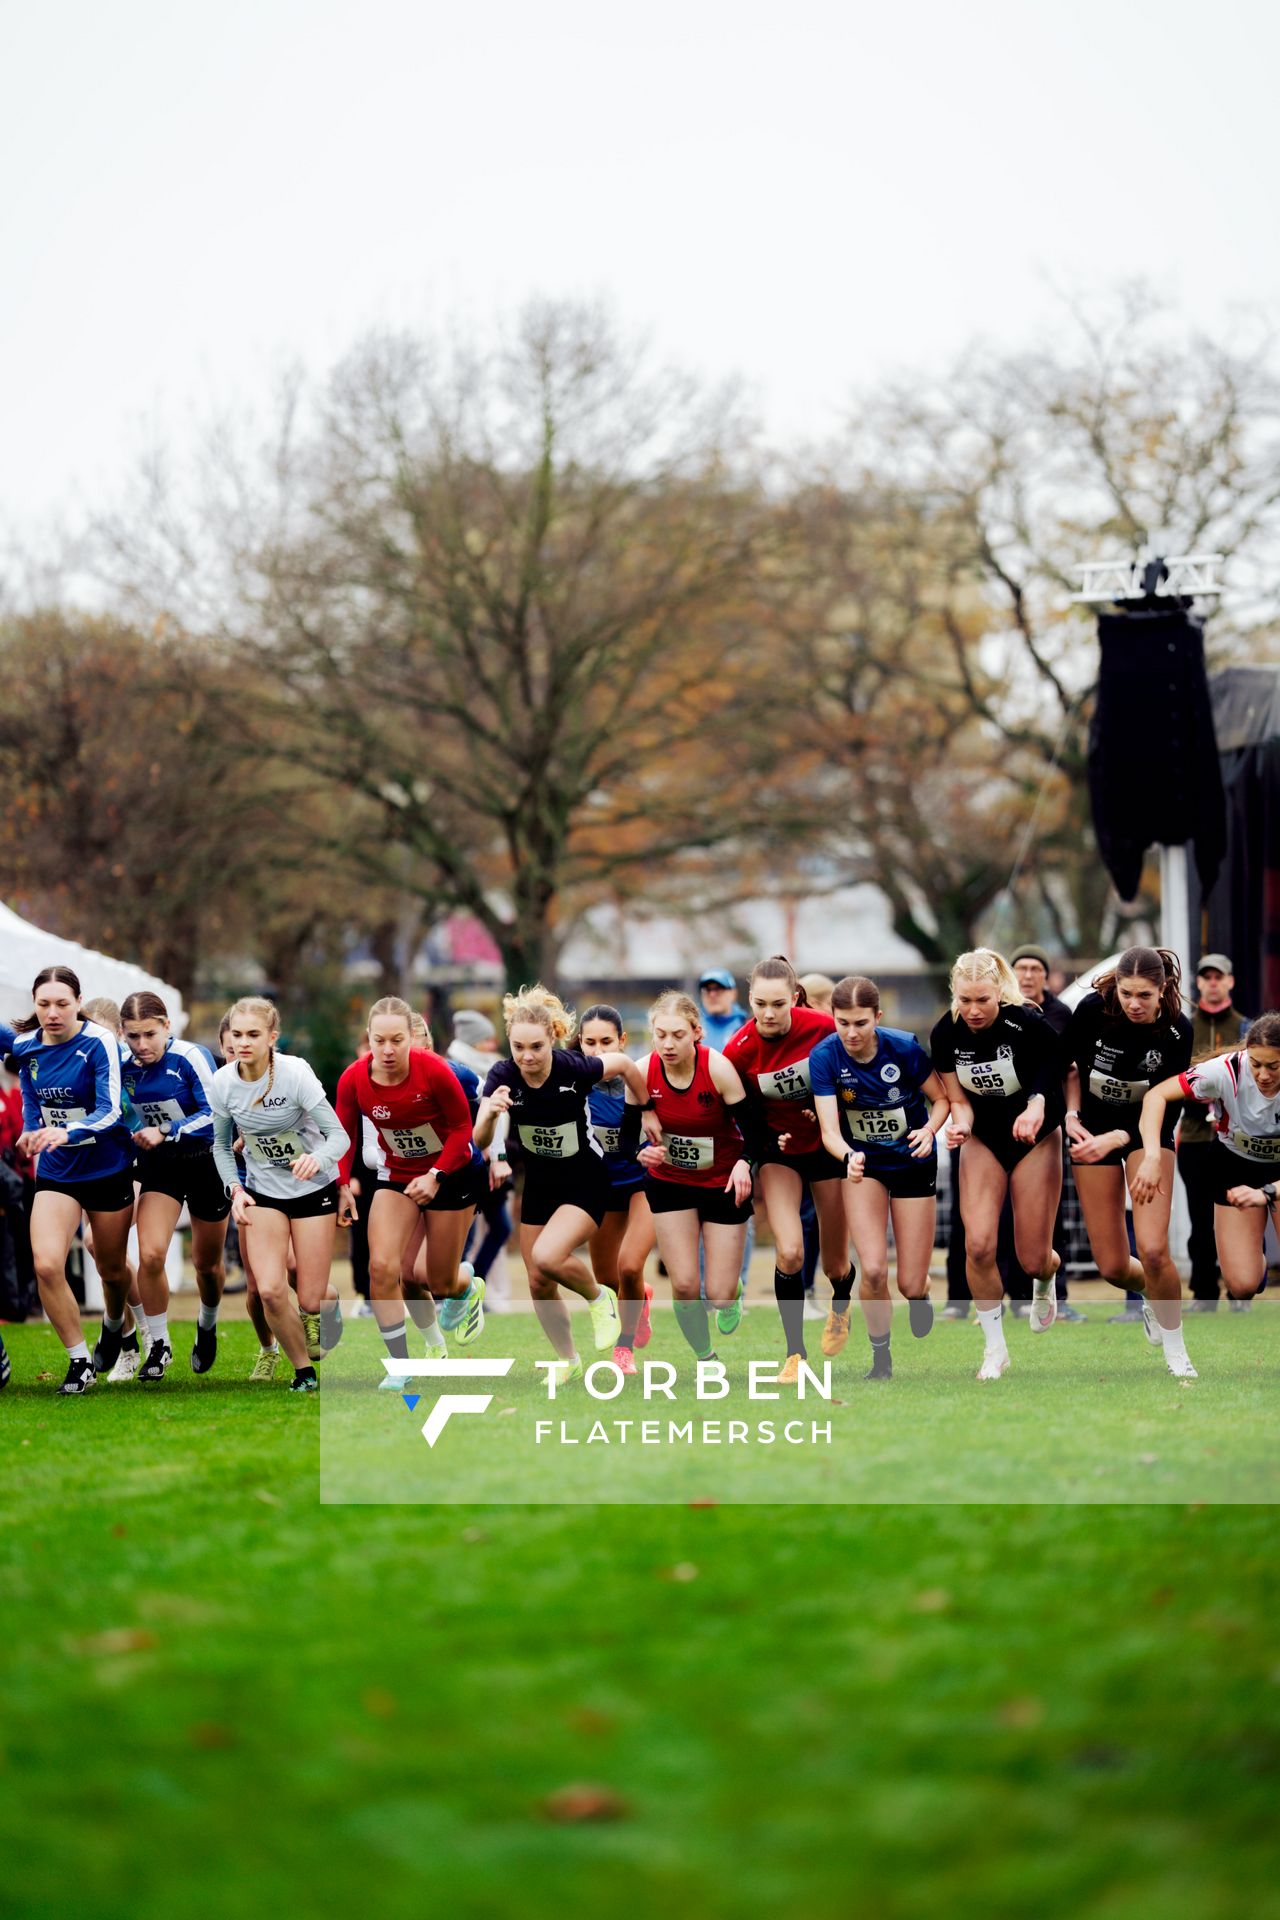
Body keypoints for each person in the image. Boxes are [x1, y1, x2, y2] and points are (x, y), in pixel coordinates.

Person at [473, 985, 649, 1384]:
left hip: (585, 1180)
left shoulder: (574, 1068)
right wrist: (490, 1115)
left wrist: (646, 1111)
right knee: (538, 1280)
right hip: (539, 1185)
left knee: (548, 1257)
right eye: (518, 1047)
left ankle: (599, 1297)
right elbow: (481, 1140)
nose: (527, 1056)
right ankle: (569, 1360)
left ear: (552, 1038)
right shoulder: (503, 1075)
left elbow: (623, 1063)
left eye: (536, 1046)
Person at [336, 997, 483, 1391]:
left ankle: (465, 1286)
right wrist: (342, 1185)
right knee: (385, 1269)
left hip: (453, 1173)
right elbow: (344, 1136)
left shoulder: (434, 1071)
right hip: (397, 1175)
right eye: (378, 1040)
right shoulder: (353, 1079)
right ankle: (402, 1363)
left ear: (410, 1040)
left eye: (397, 1040)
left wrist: (436, 1174)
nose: (387, 1049)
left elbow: (462, 1129)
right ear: (368, 1038)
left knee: (436, 1280)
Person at [1061, 948, 1196, 1378]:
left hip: (1148, 1136)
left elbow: (1166, 1104)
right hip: (1094, 1132)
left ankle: (1176, 1350)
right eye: (1126, 993)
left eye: (1144, 995)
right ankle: (1149, 1293)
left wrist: (1143, 1149)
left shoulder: (1177, 1031)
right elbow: (1068, 1069)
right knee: (1114, 1267)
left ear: (1163, 990)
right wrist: (1071, 1117)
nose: (1134, 1003)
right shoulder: (1090, 1011)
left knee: (1154, 1250)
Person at [931, 949, 1065, 1380]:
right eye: (965, 999)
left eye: (982, 1000)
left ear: (998, 992)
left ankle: (1048, 1274)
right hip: (984, 1138)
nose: (973, 1010)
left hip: (1034, 1135)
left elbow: (1054, 1071)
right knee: (978, 1245)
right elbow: (959, 1100)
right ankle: (994, 1349)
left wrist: (1036, 1105)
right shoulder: (946, 1033)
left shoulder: (1024, 1020)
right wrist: (960, 1126)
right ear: (954, 993)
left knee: (1031, 1259)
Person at [812, 975, 950, 1380]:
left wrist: (928, 1131)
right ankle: (881, 1359)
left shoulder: (903, 1049)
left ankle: (921, 1294)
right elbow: (828, 1131)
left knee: (908, 1282)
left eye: (860, 1023)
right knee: (871, 1270)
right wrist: (848, 1154)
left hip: (911, 1162)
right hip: (863, 1166)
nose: (851, 1033)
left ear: (877, 1017)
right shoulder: (824, 1057)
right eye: (842, 1023)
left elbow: (940, 1099)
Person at [209, 997, 349, 1394]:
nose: (243, 1042)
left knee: (308, 1298)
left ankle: (328, 1300)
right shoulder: (222, 1083)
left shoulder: (294, 1073)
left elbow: (338, 1136)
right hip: (262, 1191)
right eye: (236, 1034)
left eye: (253, 1034)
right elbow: (220, 1147)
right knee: (269, 1290)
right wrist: (234, 1190)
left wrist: (317, 1160)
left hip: (311, 1191)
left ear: (273, 1037)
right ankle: (304, 1372)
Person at [630, 990, 771, 1371]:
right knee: (686, 1285)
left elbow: (756, 1131)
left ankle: (734, 1292)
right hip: (669, 1183)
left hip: (723, 1182)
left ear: (697, 1033)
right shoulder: (642, 1072)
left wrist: (746, 1162)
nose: (668, 1043)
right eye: (661, 1034)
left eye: (678, 1034)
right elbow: (625, 1140)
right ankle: (705, 1356)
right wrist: (640, 1153)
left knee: (720, 1296)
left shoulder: (718, 1069)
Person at [723, 957, 852, 1370]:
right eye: (760, 1003)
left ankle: (841, 1303)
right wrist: (756, 1147)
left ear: (795, 999)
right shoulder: (738, 1051)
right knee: (791, 1252)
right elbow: (740, 1114)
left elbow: (854, 1083)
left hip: (828, 1149)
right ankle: (795, 1352)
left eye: (778, 1003)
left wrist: (829, 1111)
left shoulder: (824, 1029)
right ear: (750, 999)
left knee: (835, 1265)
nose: (768, 1013)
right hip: (779, 1153)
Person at [11, 966, 136, 1394]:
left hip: (107, 1167)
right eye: (43, 1004)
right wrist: (32, 1130)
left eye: (62, 1004)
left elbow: (112, 1109)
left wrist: (70, 1132)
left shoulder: (99, 1042)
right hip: (57, 1171)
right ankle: (79, 1361)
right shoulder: (27, 1046)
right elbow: (32, 1098)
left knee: (113, 1269)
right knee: (47, 1263)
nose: (52, 1013)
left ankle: (115, 1323)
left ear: (78, 1003)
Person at [119, 991, 230, 1381]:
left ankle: (208, 1321)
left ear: (167, 1026)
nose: (142, 1045)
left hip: (205, 1164)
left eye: (149, 1034)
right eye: (132, 1036)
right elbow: (119, 1114)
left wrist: (167, 1129)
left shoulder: (189, 1057)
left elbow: (217, 1114)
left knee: (207, 1265)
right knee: (151, 1255)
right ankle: (160, 1345)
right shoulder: (122, 1066)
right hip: (160, 1167)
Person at [1135, 1011, 1280, 1303]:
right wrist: (1151, 1155)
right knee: (1241, 1286)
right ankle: (1255, 1259)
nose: (1263, 1075)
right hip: (1234, 1165)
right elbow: (1156, 1096)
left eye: (1274, 1066)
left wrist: (1266, 1194)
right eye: (1256, 1064)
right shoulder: (1225, 1070)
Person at [578, 1004, 656, 1376]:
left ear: (622, 1041)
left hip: (643, 1184)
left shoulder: (641, 1078)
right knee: (607, 1280)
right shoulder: (575, 1086)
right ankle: (640, 1299)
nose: (598, 1050)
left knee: (629, 1265)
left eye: (606, 1041)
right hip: (601, 1187)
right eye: (589, 1042)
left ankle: (623, 1350)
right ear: (579, 1043)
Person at [1178, 954, 1251, 1310]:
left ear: (1230, 982)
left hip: (1238, 1141)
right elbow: (1175, 1083)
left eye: (1218, 976)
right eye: (1206, 977)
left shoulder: (1245, 1029)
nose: (1212, 982)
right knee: (1200, 1219)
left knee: (1242, 1211)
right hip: (1193, 1139)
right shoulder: (1184, 1028)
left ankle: (1241, 1290)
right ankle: (1204, 1292)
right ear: (1199, 983)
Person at [696, 969, 749, 1051]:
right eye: (707, 989)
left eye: (718, 989)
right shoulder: (693, 1026)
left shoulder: (747, 1026)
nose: (712, 994)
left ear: (733, 993)